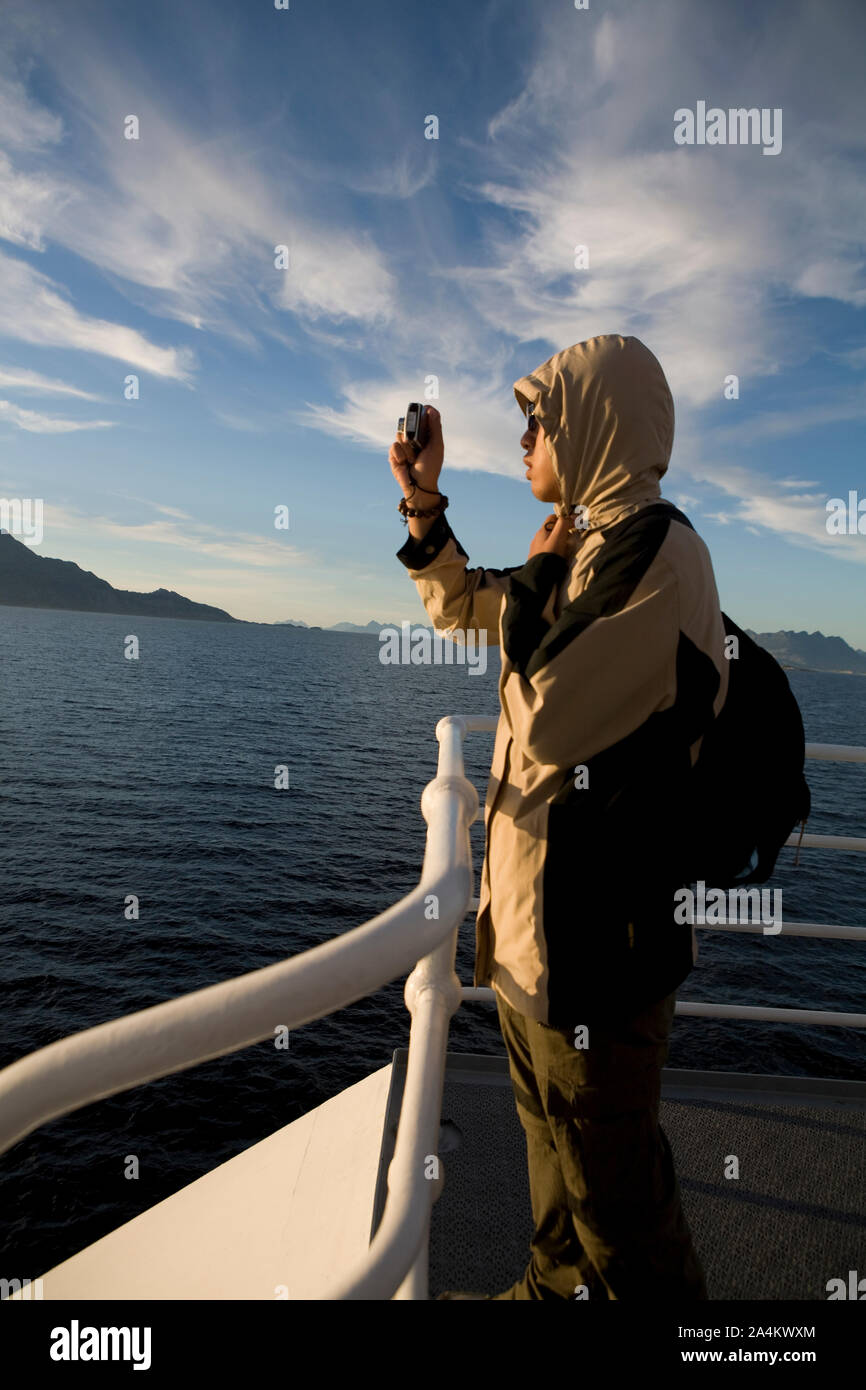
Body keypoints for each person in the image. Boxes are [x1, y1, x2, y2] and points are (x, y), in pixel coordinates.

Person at [389, 334, 728, 1301]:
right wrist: (424, 495)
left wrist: (537, 576)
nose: (525, 438)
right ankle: (547, 1294)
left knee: (622, 1220)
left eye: (537, 419)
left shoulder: (659, 558)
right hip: (540, 942)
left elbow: (544, 713)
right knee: (557, 1188)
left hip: (600, 958)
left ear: (590, 422)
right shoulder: (590, 549)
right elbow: (466, 607)